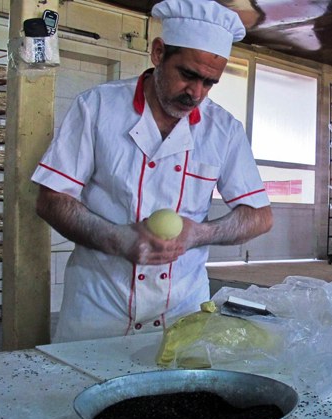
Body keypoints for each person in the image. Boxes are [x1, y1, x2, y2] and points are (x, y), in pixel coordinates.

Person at [31, 0, 272, 343]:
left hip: (181, 311)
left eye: (209, 83)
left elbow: (260, 216)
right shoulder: (97, 107)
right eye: (188, 75)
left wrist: (198, 234)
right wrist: (116, 238)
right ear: (159, 53)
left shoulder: (224, 130)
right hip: (100, 309)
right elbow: (51, 199)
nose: (196, 93)